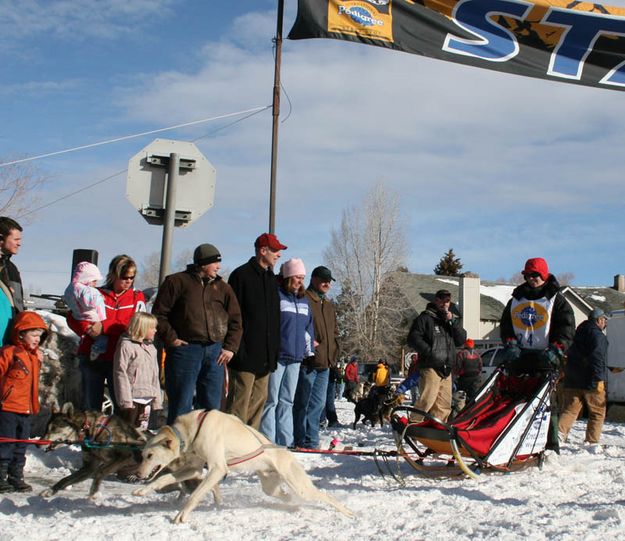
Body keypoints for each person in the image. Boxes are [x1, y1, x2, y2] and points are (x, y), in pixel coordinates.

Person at [152, 244, 242, 424]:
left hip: (215, 352)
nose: (218, 267)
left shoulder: (223, 288)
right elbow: (159, 314)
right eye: (215, 263)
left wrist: (230, 348)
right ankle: (177, 447)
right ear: (202, 264)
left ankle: (204, 447)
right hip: (185, 350)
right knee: (181, 403)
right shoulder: (176, 282)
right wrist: (172, 339)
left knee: (211, 406)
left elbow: (236, 320)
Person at [500, 257, 575, 452]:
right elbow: (506, 326)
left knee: (546, 405)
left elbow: (566, 328)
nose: (531, 279)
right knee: (515, 402)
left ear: (544, 274)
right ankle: (514, 443)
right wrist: (509, 344)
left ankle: (550, 445)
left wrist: (557, 349)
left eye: (535, 275)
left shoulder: (555, 299)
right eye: (527, 275)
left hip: (545, 360)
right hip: (519, 359)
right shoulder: (516, 299)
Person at [66, 255, 146, 412]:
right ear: (114, 275)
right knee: (91, 407)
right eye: (124, 277)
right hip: (93, 356)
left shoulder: (137, 297)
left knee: (122, 405)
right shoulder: (94, 292)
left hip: (120, 359)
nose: (128, 281)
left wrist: (104, 327)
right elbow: (73, 316)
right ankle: (91, 436)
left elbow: (138, 327)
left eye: (132, 277)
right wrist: (87, 328)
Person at [226, 233, 285, 429]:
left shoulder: (271, 279)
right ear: (263, 250)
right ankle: (231, 447)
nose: (278, 254)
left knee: (259, 401)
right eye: (275, 250)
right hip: (245, 354)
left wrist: (273, 351)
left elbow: (274, 319)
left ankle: (249, 446)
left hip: (265, 356)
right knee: (239, 403)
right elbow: (232, 315)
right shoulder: (241, 276)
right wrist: (236, 348)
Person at [260, 258, 314, 447]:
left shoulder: (304, 301)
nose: (300, 281)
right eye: (297, 277)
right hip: (278, 355)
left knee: (287, 401)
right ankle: (268, 441)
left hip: (296, 357)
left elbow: (308, 329)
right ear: (289, 276)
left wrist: (310, 354)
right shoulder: (278, 296)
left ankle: (285, 441)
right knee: (271, 399)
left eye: (302, 277)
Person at [0, 311, 47, 493]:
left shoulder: (35, 357)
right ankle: (1, 474)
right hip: (8, 407)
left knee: (21, 443)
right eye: (33, 335)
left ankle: (16, 474)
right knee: (6, 442)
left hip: (27, 408)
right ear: (21, 333)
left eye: (40, 336)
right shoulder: (9, 353)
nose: (37, 339)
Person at [294, 265, 340, 448]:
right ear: (313, 279)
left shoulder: (328, 305)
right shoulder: (304, 299)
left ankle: (311, 441)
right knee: (302, 403)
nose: (327, 284)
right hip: (308, 362)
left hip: (325, 364)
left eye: (329, 281)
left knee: (318, 405)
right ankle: (300, 439)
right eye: (323, 280)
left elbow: (335, 332)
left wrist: (335, 351)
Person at [407, 289, 467, 422]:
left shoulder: (449, 321)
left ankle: (437, 428)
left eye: (447, 301)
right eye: (441, 300)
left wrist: (453, 322)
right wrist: (430, 352)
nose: (444, 304)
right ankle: (412, 424)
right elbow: (413, 338)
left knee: (444, 405)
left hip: (447, 368)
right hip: (431, 366)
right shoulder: (425, 318)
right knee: (427, 399)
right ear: (436, 300)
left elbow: (461, 339)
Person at [558, 308, 609, 446]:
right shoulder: (598, 336)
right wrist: (600, 378)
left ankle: (559, 435)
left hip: (572, 380)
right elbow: (597, 358)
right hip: (592, 381)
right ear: (599, 320)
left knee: (569, 410)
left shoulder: (575, 334)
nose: (605, 323)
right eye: (604, 320)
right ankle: (592, 442)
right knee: (597, 412)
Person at [113, 312, 163, 431]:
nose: (155, 330)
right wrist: (126, 401)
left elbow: (155, 374)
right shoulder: (126, 346)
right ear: (142, 328)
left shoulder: (152, 348)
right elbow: (120, 373)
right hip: (132, 399)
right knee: (128, 431)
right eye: (152, 328)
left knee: (142, 431)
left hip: (147, 398)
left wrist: (157, 399)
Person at [63, 261, 108, 361]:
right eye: (94, 280)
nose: (96, 284)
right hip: (92, 319)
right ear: (87, 278)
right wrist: (99, 297)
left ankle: (93, 348)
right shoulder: (87, 290)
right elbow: (90, 302)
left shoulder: (70, 288)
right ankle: (96, 349)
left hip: (81, 318)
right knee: (103, 339)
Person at [0, 217, 23, 346]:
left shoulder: (11, 269)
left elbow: (19, 307)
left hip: (8, 343)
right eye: (16, 239)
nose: (19, 243)